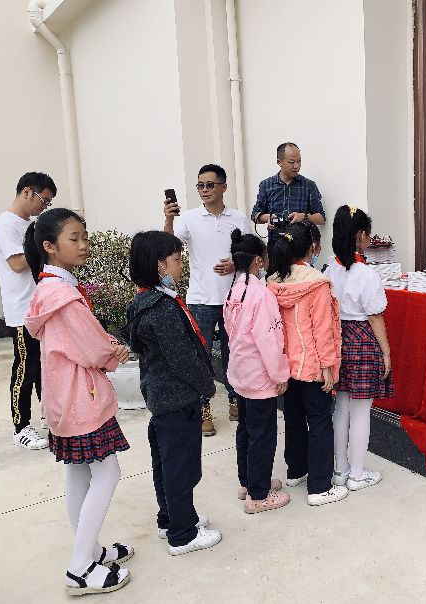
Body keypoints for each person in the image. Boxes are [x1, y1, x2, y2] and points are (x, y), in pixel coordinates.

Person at [23, 208, 132, 596]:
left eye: (84, 236)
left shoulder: (47, 290)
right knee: (107, 472)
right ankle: (80, 567)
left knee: (79, 473)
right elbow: (91, 346)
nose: (84, 244)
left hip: (62, 397)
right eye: (74, 238)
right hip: (81, 397)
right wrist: (114, 352)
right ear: (50, 247)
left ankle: (90, 549)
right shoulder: (63, 295)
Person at [123, 231, 222, 556]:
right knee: (180, 468)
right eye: (177, 260)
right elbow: (183, 358)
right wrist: (207, 386)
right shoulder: (163, 309)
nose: (182, 266)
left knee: (167, 465)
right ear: (158, 265)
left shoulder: (147, 302)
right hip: (177, 399)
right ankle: (182, 534)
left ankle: (173, 519)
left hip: (163, 399)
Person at [163, 164, 252, 437]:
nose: (204, 190)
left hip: (233, 299)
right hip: (201, 299)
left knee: (233, 354)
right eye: (200, 185)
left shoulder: (238, 218)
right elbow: (167, 248)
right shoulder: (189, 218)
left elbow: (252, 255)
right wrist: (168, 219)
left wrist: (235, 264)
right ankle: (203, 410)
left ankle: (236, 401)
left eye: (209, 185)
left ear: (224, 187)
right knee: (199, 358)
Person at [267, 222, 349, 506]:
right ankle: (319, 486)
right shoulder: (316, 283)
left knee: (293, 418)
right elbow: (323, 330)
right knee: (319, 421)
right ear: (312, 247)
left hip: (286, 367)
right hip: (312, 366)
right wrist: (329, 366)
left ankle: (296, 470)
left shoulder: (274, 280)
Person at [223, 229, 291, 513]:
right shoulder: (261, 295)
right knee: (263, 434)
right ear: (257, 261)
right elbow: (270, 340)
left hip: (240, 372)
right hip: (259, 375)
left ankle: (248, 481)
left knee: (246, 430)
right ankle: (259, 495)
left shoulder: (233, 290)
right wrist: (281, 374)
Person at [325, 205, 392, 491]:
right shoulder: (366, 274)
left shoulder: (331, 267)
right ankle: (357, 473)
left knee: (340, 407)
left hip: (338, 338)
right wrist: (386, 353)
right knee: (361, 410)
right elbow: (375, 316)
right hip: (363, 340)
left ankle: (339, 470)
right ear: (362, 236)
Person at [0, 172, 55, 450]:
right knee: (25, 370)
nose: (45, 206)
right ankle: (21, 427)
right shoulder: (6, 224)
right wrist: (47, 251)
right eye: (45, 200)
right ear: (27, 192)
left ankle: (51, 418)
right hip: (21, 312)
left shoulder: (31, 224)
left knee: (45, 368)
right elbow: (17, 264)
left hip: (41, 307)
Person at [251, 142, 326, 245]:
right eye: (291, 162)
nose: (297, 166)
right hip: (275, 246)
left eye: (299, 161)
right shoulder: (266, 185)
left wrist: (304, 217)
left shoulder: (309, 185)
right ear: (279, 162)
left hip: (301, 248)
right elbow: (254, 215)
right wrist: (269, 218)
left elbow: (321, 218)